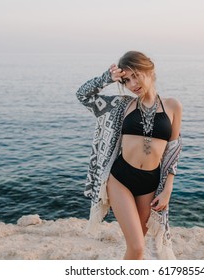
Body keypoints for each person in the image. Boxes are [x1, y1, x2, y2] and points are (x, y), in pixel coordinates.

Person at [75, 51, 182, 259]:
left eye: (136, 75)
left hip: (150, 183)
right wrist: (106, 78)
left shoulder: (173, 106)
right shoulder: (121, 105)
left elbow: (173, 150)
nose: (132, 84)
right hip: (120, 179)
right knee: (137, 247)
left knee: (138, 245)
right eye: (126, 80)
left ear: (149, 69)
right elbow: (82, 95)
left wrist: (167, 188)